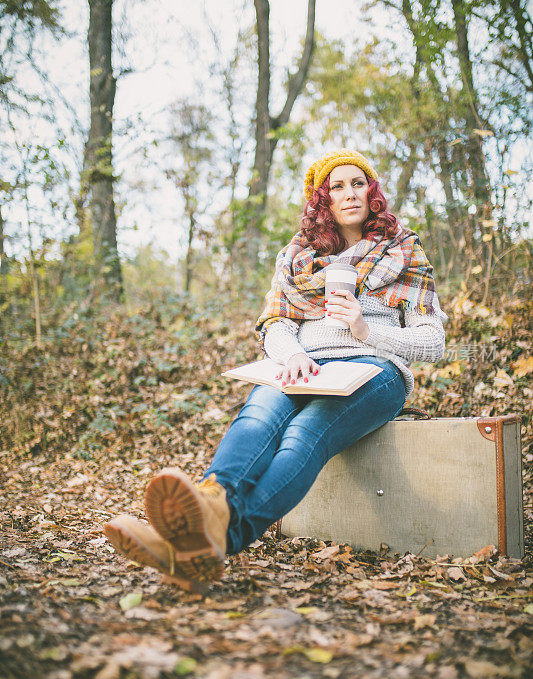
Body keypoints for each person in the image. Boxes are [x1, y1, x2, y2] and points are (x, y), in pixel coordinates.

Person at [104, 149, 447, 591]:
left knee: (304, 435)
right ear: (323, 199)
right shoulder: (297, 255)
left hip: (373, 369)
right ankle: (208, 512)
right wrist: (292, 356)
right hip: (303, 364)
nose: (349, 193)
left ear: (372, 191)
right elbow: (275, 323)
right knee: (258, 414)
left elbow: (433, 341)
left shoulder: (403, 249)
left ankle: (199, 542)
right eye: (337, 186)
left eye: (358, 183)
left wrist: (366, 333)